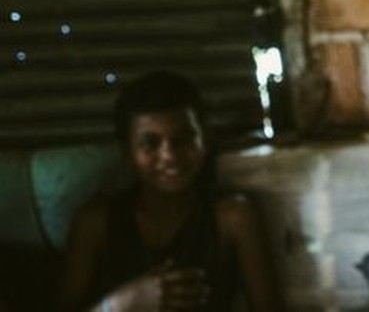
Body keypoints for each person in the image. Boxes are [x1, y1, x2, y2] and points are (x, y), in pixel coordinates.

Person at [56, 71, 284, 312]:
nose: (170, 156)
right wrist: (123, 302)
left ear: (204, 141)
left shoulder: (233, 217)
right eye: (150, 144)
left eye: (183, 139)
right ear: (127, 153)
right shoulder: (95, 224)